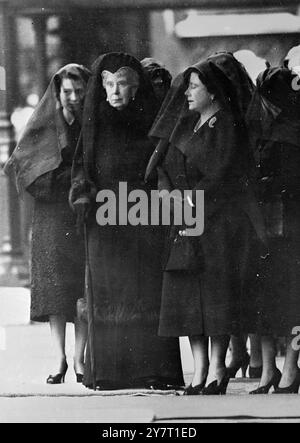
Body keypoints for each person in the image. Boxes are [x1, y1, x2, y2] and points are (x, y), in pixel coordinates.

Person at [146, 52, 266, 395]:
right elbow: (164, 170)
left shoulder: (228, 125)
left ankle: (216, 368)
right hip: (183, 222)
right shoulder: (183, 124)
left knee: (216, 299)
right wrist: (172, 204)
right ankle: (197, 370)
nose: (186, 92)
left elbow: (220, 175)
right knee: (186, 300)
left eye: (194, 86)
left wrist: (189, 209)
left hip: (216, 224)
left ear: (212, 91)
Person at [70, 52, 184, 390]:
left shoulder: (151, 122)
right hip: (104, 223)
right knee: (108, 291)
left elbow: (166, 167)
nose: (115, 91)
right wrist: (83, 196)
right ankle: (108, 372)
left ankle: (153, 370)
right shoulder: (94, 125)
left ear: (135, 88)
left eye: (122, 84)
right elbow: (81, 168)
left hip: (144, 219)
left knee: (146, 289)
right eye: (108, 84)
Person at [4, 64, 91, 384]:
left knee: (83, 288)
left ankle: (80, 359)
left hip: (82, 216)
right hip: (51, 217)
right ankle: (60, 358)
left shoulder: (91, 125)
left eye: (79, 92)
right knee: (55, 290)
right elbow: (22, 165)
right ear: (57, 94)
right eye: (66, 92)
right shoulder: (43, 125)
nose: (72, 98)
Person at [247, 66, 300, 394]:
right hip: (275, 226)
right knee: (270, 300)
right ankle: (275, 372)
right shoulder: (283, 131)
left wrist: (261, 184)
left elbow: (289, 182)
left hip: (285, 228)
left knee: (285, 300)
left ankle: (286, 371)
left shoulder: (285, 135)